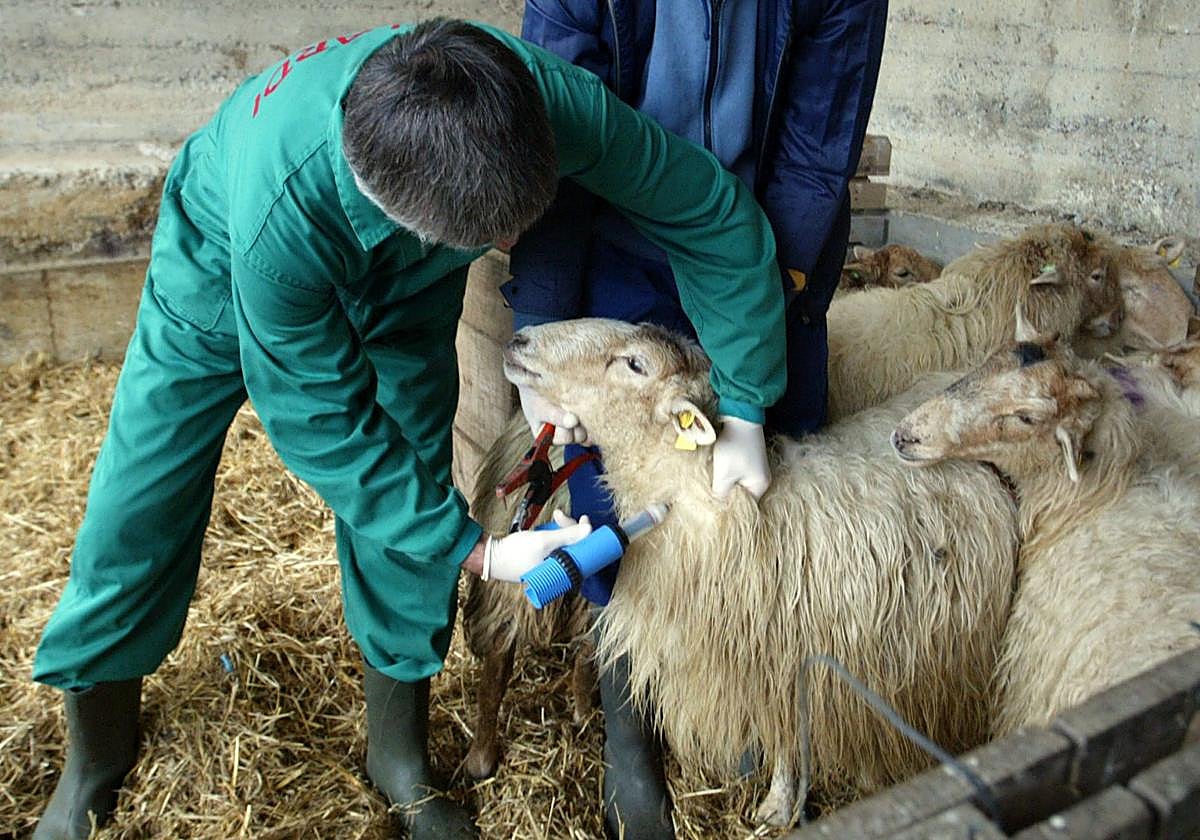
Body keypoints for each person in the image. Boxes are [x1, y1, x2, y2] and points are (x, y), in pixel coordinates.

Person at [30, 17, 789, 840]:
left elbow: (705, 208)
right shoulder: (279, 215)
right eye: (489, 238)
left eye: (517, 221)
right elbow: (321, 419)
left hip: (408, 292)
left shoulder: (544, 102)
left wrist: (747, 401)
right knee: (142, 492)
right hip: (220, 271)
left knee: (415, 477)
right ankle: (94, 754)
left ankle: (396, 757)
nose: (508, 245)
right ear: (398, 208)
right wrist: (480, 552)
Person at [509, 1, 888, 837]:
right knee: (611, 492)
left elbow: (817, 149)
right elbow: (550, 134)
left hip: (768, 243)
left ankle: (748, 694)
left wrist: (753, 356)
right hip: (619, 242)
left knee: (764, 499)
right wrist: (541, 318)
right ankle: (630, 725)